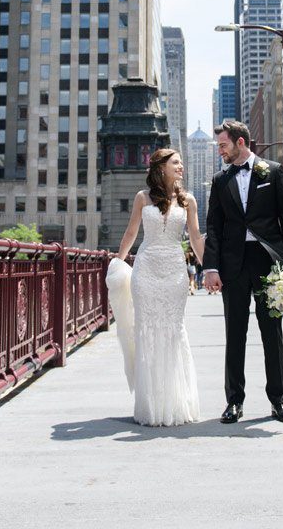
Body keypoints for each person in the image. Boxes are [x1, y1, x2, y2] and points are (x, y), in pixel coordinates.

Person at [204, 120, 283, 424]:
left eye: (223, 145)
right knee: (235, 333)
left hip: (268, 262)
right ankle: (234, 401)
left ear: (240, 143)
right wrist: (211, 267)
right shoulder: (220, 180)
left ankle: (279, 401)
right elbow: (214, 227)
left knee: (272, 333)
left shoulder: (272, 171)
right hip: (233, 266)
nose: (220, 151)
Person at [107, 148, 203, 426]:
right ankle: (151, 404)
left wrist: (210, 269)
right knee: (147, 332)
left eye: (182, 163)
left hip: (174, 271)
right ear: (161, 168)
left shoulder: (189, 201)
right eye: (176, 163)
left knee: (174, 330)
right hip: (146, 270)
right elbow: (131, 232)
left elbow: (196, 238)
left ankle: (175, 402)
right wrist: (117, 262)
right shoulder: (142, 198)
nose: (181, 167)